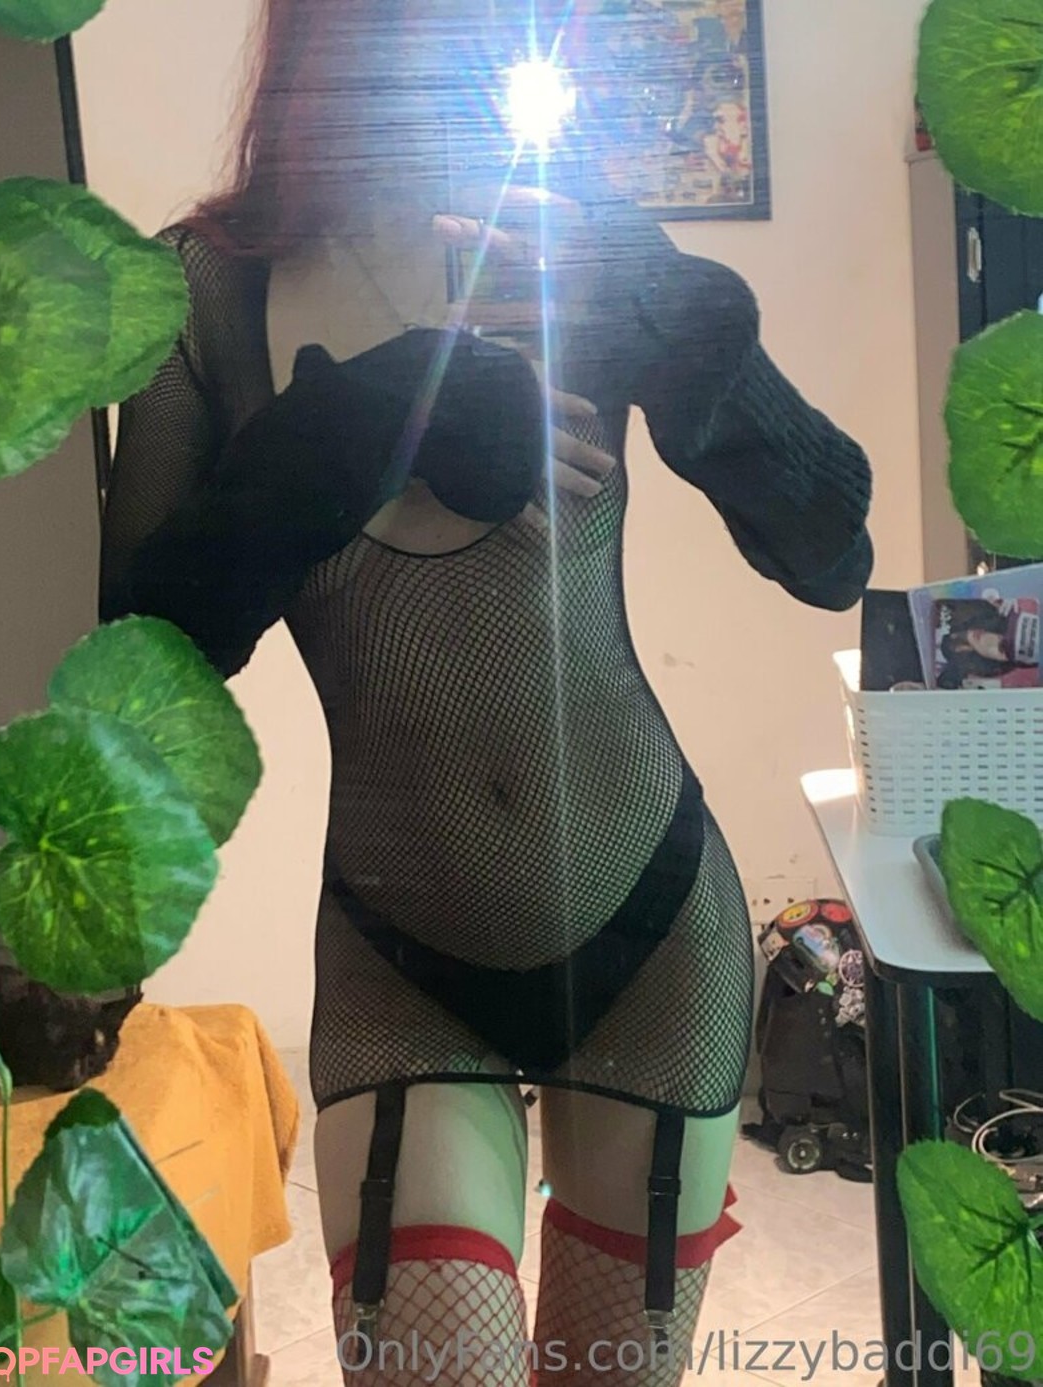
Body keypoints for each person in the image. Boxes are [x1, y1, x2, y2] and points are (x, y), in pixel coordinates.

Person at [98, 3, 874, 1383]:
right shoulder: (201, 291)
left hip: (653, 927)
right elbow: (138, 669)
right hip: (401, 959)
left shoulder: (575, 240)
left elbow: (834, 553)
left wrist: (687, 331)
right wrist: (349, 429)